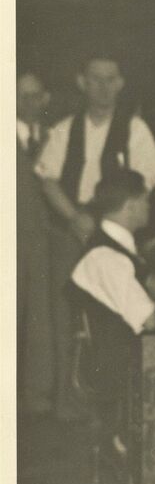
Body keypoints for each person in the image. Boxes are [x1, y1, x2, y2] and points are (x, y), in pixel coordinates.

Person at [35, 50, 155, 422]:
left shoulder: (134, 128)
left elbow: (152, 182)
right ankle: (67, 401)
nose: (103, 87)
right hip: (71, 227)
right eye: (95, 78)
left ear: (121, 83)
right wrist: (75, 217)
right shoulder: (64, 129)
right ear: (82, 83)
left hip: (114, 229)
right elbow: (47, 179)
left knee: (121, 314)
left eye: (111, 79)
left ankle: (118, 405)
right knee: (67, 316)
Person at [70, 169, 155, 456]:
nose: (149, 207)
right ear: (130, 206)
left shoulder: (117, 246)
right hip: (120, 366)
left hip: (126, 353)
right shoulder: (106, 257)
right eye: (145, 201)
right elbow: (150, 318)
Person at [17, 69, 55, 417]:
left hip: (43, 240)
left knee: (40, 317)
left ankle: (36, 395)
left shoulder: (55, 135)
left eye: (35, 95)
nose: (29, 102)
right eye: (21, 95)